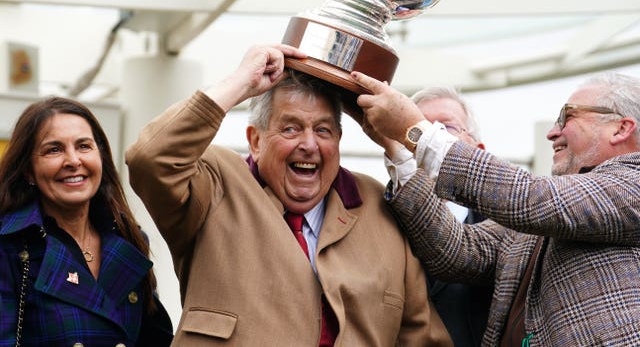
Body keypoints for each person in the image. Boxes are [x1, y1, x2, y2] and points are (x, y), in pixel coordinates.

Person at [125, 44, 453, 346]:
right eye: (291, 128)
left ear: (338, 141)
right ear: (255, 140)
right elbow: (149, 158)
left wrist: (394, 142)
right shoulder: (216, 182)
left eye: (323, 131)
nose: (309, 145)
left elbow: (421, 337)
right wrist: (240, 83)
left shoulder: (378, 205)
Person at [351, 70, 640, 346]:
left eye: (567, 116)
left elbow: (529, 197)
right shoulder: (540, 222)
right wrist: (399, 150)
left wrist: (417, 132)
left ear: (621, 128)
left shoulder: (633, 183)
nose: (552, 133)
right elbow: (459, 251)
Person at [0, 97, 173, 346]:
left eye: (83, 146)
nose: (73, 161)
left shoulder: (128, 238)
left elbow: (155, 339)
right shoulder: (10, 246)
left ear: (100, 157)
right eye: (54, 149)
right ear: (29, 170)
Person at [363, 86, 492, 347]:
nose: (428, 139)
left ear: (477, 150)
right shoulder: (374, 221)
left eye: (445, 128)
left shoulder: (506, 228)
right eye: (415, 128)